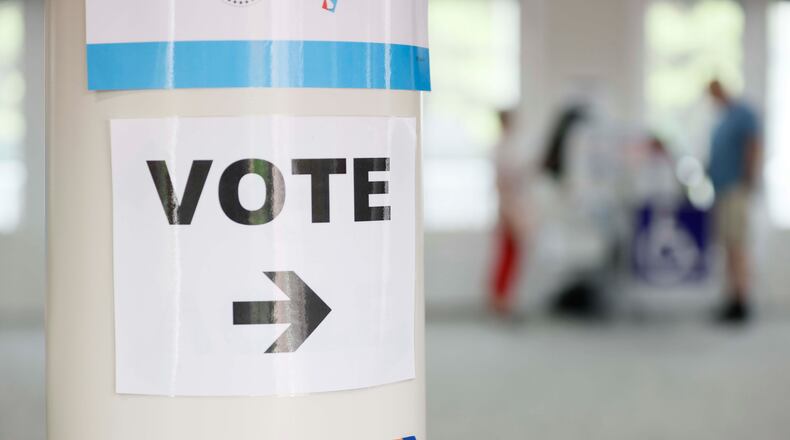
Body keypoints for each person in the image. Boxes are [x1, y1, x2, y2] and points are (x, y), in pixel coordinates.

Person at [706, 79, 761, 324]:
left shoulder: (743, 114)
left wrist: (748, 179)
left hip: (737, 188)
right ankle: (731, 298)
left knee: (738, 245)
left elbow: (754, 145)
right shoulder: (723, 118)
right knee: (728, 245)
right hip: (722, 188)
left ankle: (742, 300)